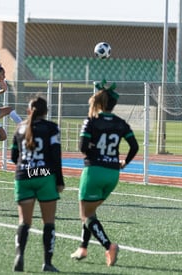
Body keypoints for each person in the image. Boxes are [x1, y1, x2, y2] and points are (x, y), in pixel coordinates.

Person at [70, 80, 139, 267]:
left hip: (94, 171)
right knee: (91, 212)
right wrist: (124, 162)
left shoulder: (92, 121)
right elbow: (134, 146)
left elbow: (83, 147)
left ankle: (109, 246)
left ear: (100, 102)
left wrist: (94, 152)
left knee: (86, 215)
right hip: (113, 174)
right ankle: (83, 247)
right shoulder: (120, 123)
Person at [11, 96, 65, 272]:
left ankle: (19, 254)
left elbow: (14, 156)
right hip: (44, 174)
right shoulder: (51, 128)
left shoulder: (19, 128)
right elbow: (56, 156)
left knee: (24, 222)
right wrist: (59, 180)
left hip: (23, 174)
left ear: (28, 111)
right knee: (48, 222)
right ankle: (47, 263)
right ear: (46, 112)